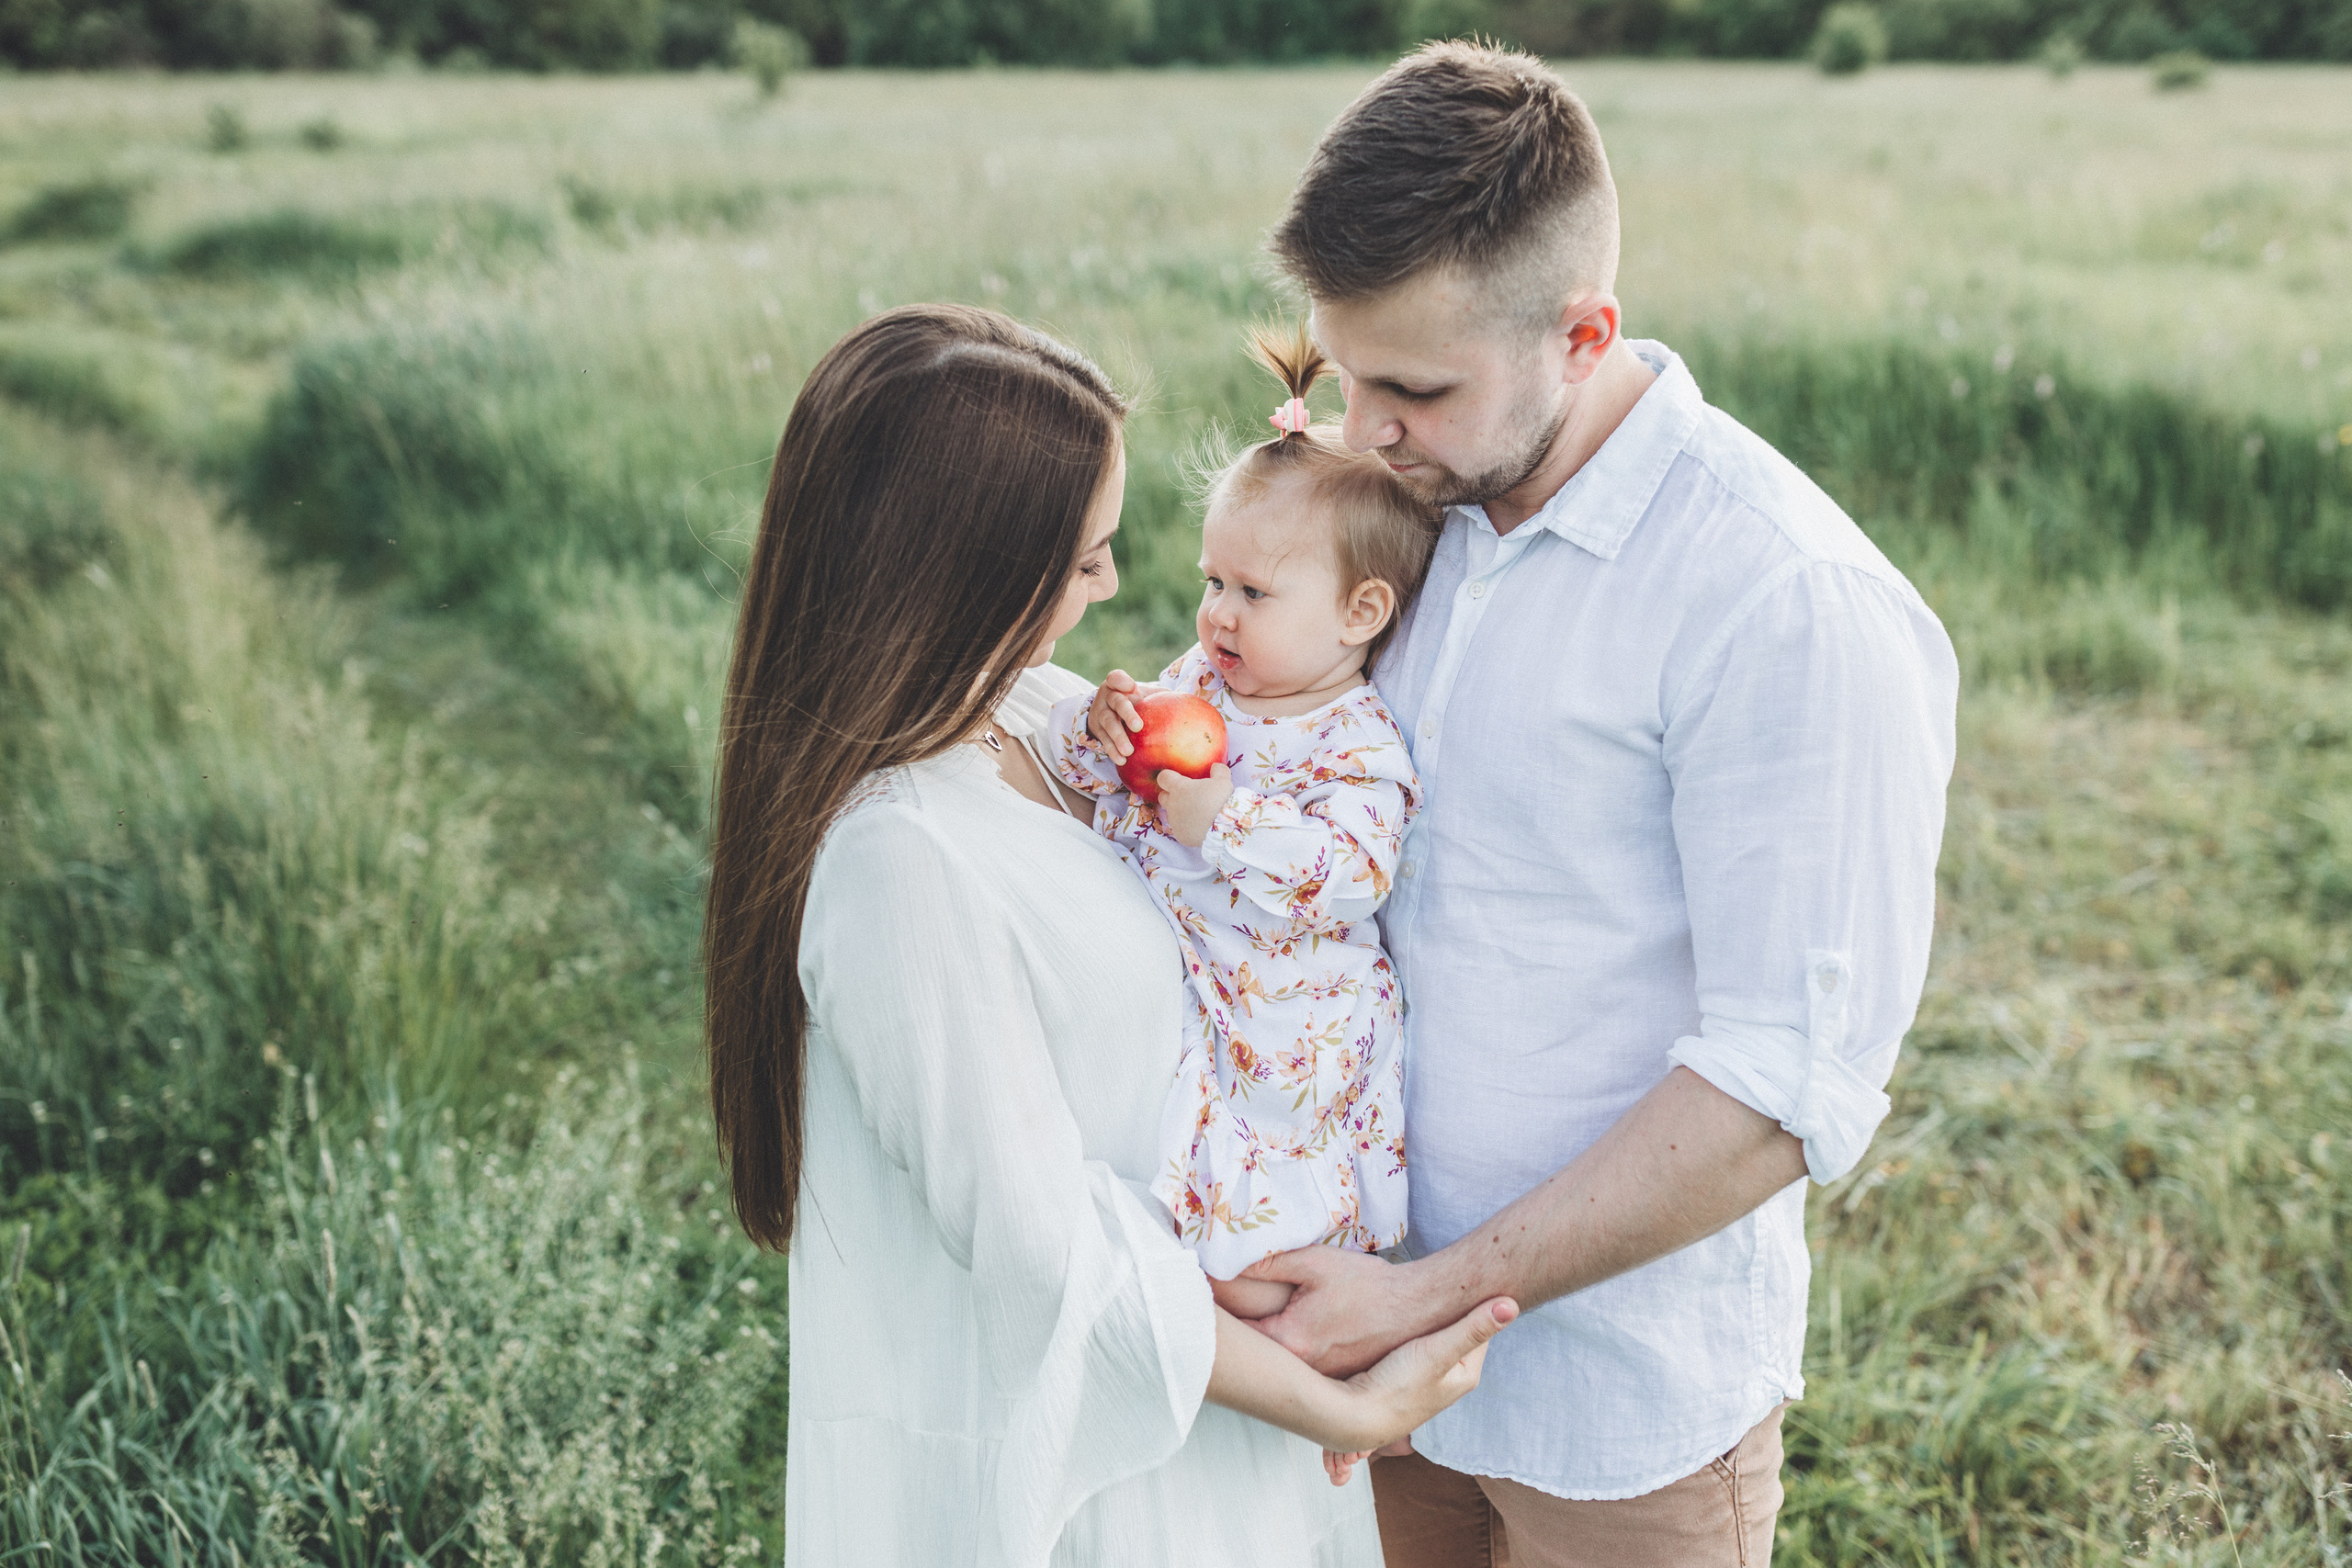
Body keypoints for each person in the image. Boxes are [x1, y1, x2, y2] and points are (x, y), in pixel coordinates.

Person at [1233, 43, 1962, 1568]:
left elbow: (1782, 1082)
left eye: (1415, 388)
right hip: (1356, 1374)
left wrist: (1429, 1293)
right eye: (1347, 373)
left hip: (1618, 1415)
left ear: (1585, 335)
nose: (1361, 429)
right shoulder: (1406, 512)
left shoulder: (1785, 601)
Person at [702, 301, 1515, 1568]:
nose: (1117, 591)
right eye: (1085, 562)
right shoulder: (897, 859)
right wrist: (1345, 1407)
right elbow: (1048, 1259)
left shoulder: (1033, 709)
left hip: (1213, 1397)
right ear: (968, 572)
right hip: (1098, 1471)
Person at [1049, 321, 1436, 1343]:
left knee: (1271, 1224)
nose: (1217, 615)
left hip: (1289, 1019)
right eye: (1212, 582)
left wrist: (1227, 821)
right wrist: (1101, 729)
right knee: (1176, 1184)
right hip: (1195, 987)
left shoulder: (1356, 742)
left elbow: (1351, 872)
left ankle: (1319, 1327)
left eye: (1254, 593)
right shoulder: (1199, 683)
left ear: (1360, 613)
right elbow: (1099, 785)